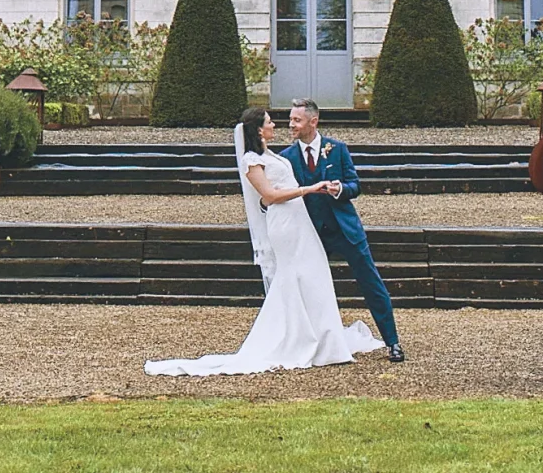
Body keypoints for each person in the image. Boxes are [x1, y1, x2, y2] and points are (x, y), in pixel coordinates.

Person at [145, 108, 384, 376]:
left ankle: (322, 337)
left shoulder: (272, 155)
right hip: (285, 224)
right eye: (270, 122)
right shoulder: (251, 160)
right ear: (259, 129)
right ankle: (296, 338)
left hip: (300, 221)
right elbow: (269, 195)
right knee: (294, 275)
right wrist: (310, 189)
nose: (276, 125)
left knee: (314, 276)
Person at [279, 98, 405, 362]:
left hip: (345, 230)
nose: (291, 125)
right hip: (310, 234)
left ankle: (393, 342)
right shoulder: (286, 158)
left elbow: (355, 185)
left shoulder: (337, 149)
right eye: (291, 119)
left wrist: (340, 189)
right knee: (304, 287)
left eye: (296, 120)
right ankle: (310, 345)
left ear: (313, 122)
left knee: (371, 283)